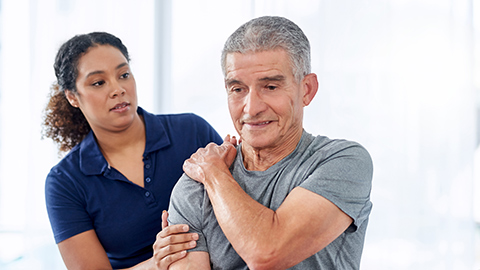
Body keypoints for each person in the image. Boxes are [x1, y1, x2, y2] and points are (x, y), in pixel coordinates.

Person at [167, 16, 374, 269]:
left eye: (271, 86)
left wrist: (214, 174)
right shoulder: (193, 187)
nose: (251, 108)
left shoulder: (343, 162)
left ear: (307, 89)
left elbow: (266, 253)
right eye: (238, 89)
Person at [42, 32, 223, 269]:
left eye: (123, 75)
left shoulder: (191, 131)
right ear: (73, 97)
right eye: (99, 82)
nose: (117, 89)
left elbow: (241, 201)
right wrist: (157, 263)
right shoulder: (64, 182)